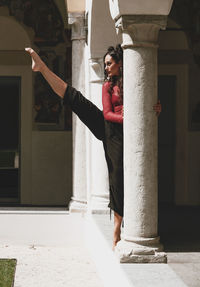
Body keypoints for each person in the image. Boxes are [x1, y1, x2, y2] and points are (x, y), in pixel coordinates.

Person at [25, 45, 161, 250]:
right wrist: (127, 118)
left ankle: (131, 224)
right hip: (109, 129)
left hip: (128, 133)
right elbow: (107, 114)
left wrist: (156, 109)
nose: (106, 67)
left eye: (109, 64)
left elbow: (146, 106)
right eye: (105, 64)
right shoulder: (107, 86)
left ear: (120, 64)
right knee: (74, 99)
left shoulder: (133, 83)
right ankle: (42, 67)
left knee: (132, 175)